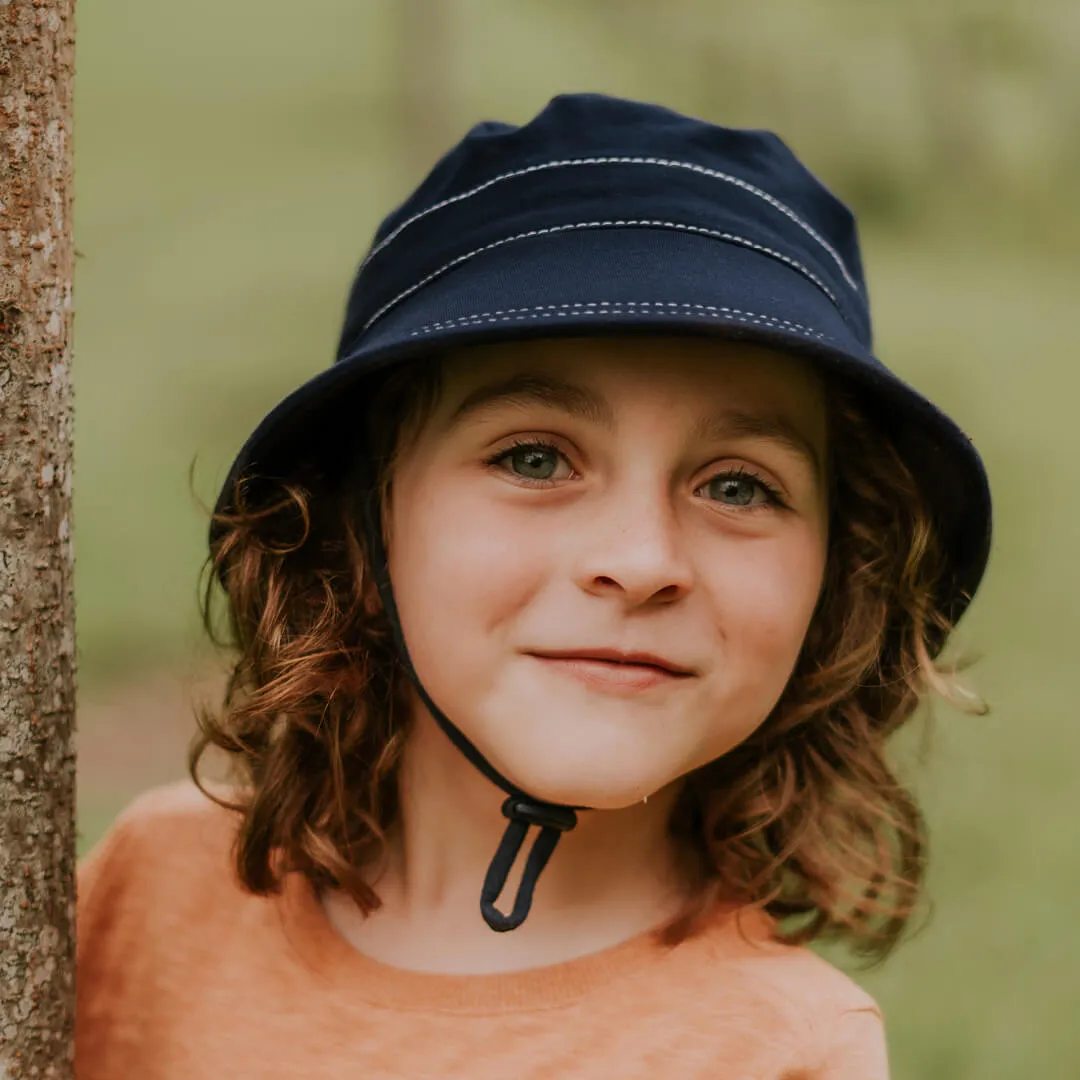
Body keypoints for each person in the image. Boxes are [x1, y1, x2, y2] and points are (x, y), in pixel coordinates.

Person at [75, 93, 992, 1078]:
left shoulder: (783, 1051)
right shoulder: (152, 888)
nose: (642, 562)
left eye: (738, 485)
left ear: (834, 580)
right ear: (364, 520)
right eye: (536, 459)